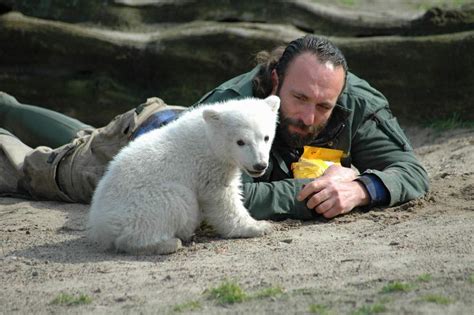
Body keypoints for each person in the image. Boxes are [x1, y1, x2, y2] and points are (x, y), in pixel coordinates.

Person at [0, 35, 429, 220]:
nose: (310, 117)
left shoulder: (356, 102)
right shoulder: (232, 103)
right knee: (37, 169)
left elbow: (410, 170)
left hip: (174, 123)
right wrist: (315, 195)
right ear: (276, 81)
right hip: (151, 156)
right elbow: (221, 197)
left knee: (84, 135)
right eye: (299, 100)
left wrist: (362, 188)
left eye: (324, 105)